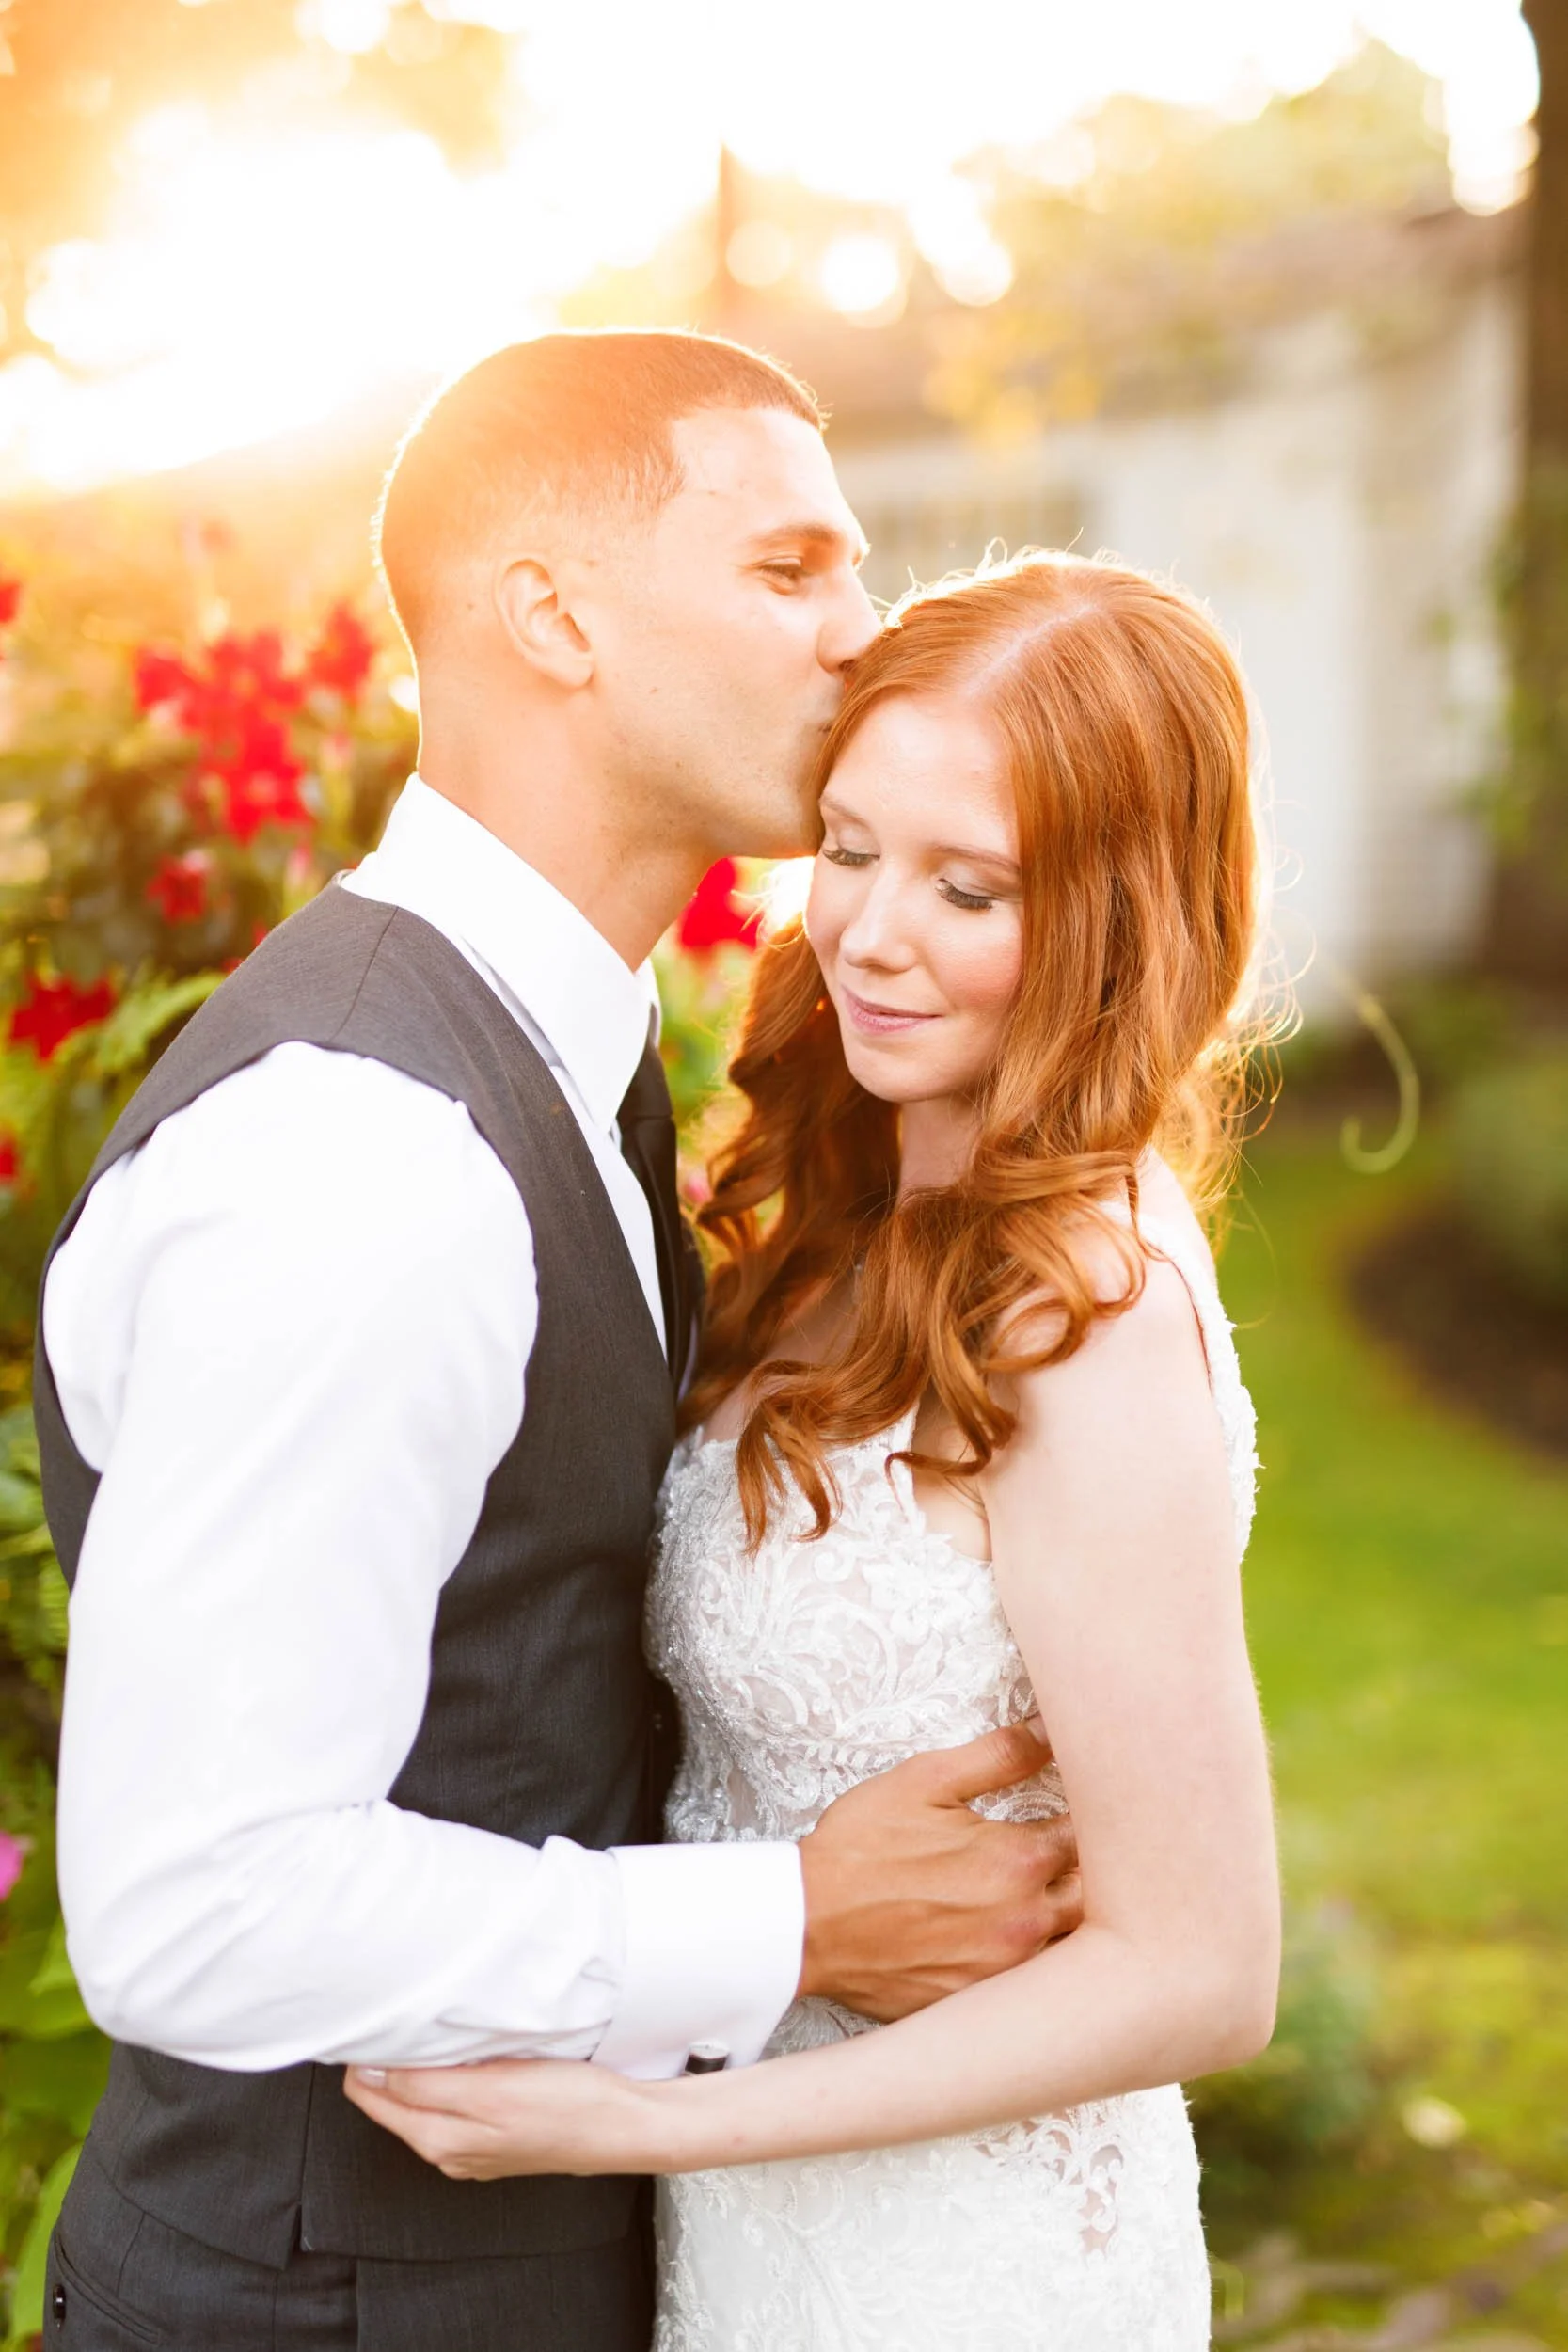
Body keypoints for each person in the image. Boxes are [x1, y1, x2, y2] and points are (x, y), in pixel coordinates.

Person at [34, 335, 1084, 2352]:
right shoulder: (363, 1148)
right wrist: (797, 1918)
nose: (863, 639)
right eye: (790, 570)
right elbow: (195, 1904)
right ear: (551, 615)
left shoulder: (554, 1061)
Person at [344, 549, 1284, 2351]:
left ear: (1114, 919)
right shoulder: (863, 1204)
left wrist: (644, 2126)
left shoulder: (1081, 1316)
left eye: (970, 886)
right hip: (765, 2235)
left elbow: (1200, 1969)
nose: (868, 933)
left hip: (965, 2267)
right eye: (848, 848)